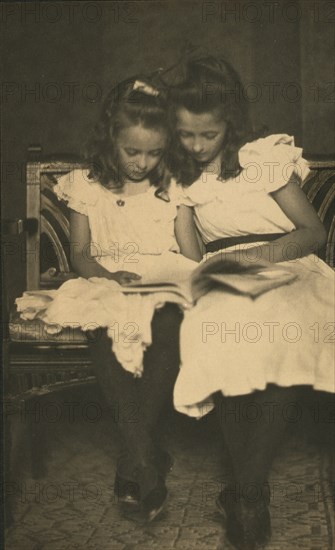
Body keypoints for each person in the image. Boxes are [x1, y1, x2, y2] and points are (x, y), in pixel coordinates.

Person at [166, 56, 335, 549]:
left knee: (292, 327)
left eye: (208, 135)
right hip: (224, 270)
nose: (196, 146)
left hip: (288, 263)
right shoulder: (181, 177)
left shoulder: (264, 157)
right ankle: (251, 492)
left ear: (231, 125)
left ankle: (244, 492)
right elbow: (192, 254)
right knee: (218, 330)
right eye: (186, 135)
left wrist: (260, 255)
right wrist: (179, 212)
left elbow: (314, 232)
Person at [51, 75, 199, 521]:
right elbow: (79, 253)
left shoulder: (173, 185)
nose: (142, 163)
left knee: (168, 325)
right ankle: (146, 461)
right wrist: (109, 275)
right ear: (111, 138)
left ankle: (132, 462)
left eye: (154, 153)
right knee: (103, 327)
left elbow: (192, 254)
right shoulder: (86, 184)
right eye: (132, 151)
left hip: (160, 286)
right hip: (105, 281)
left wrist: (170, 260)